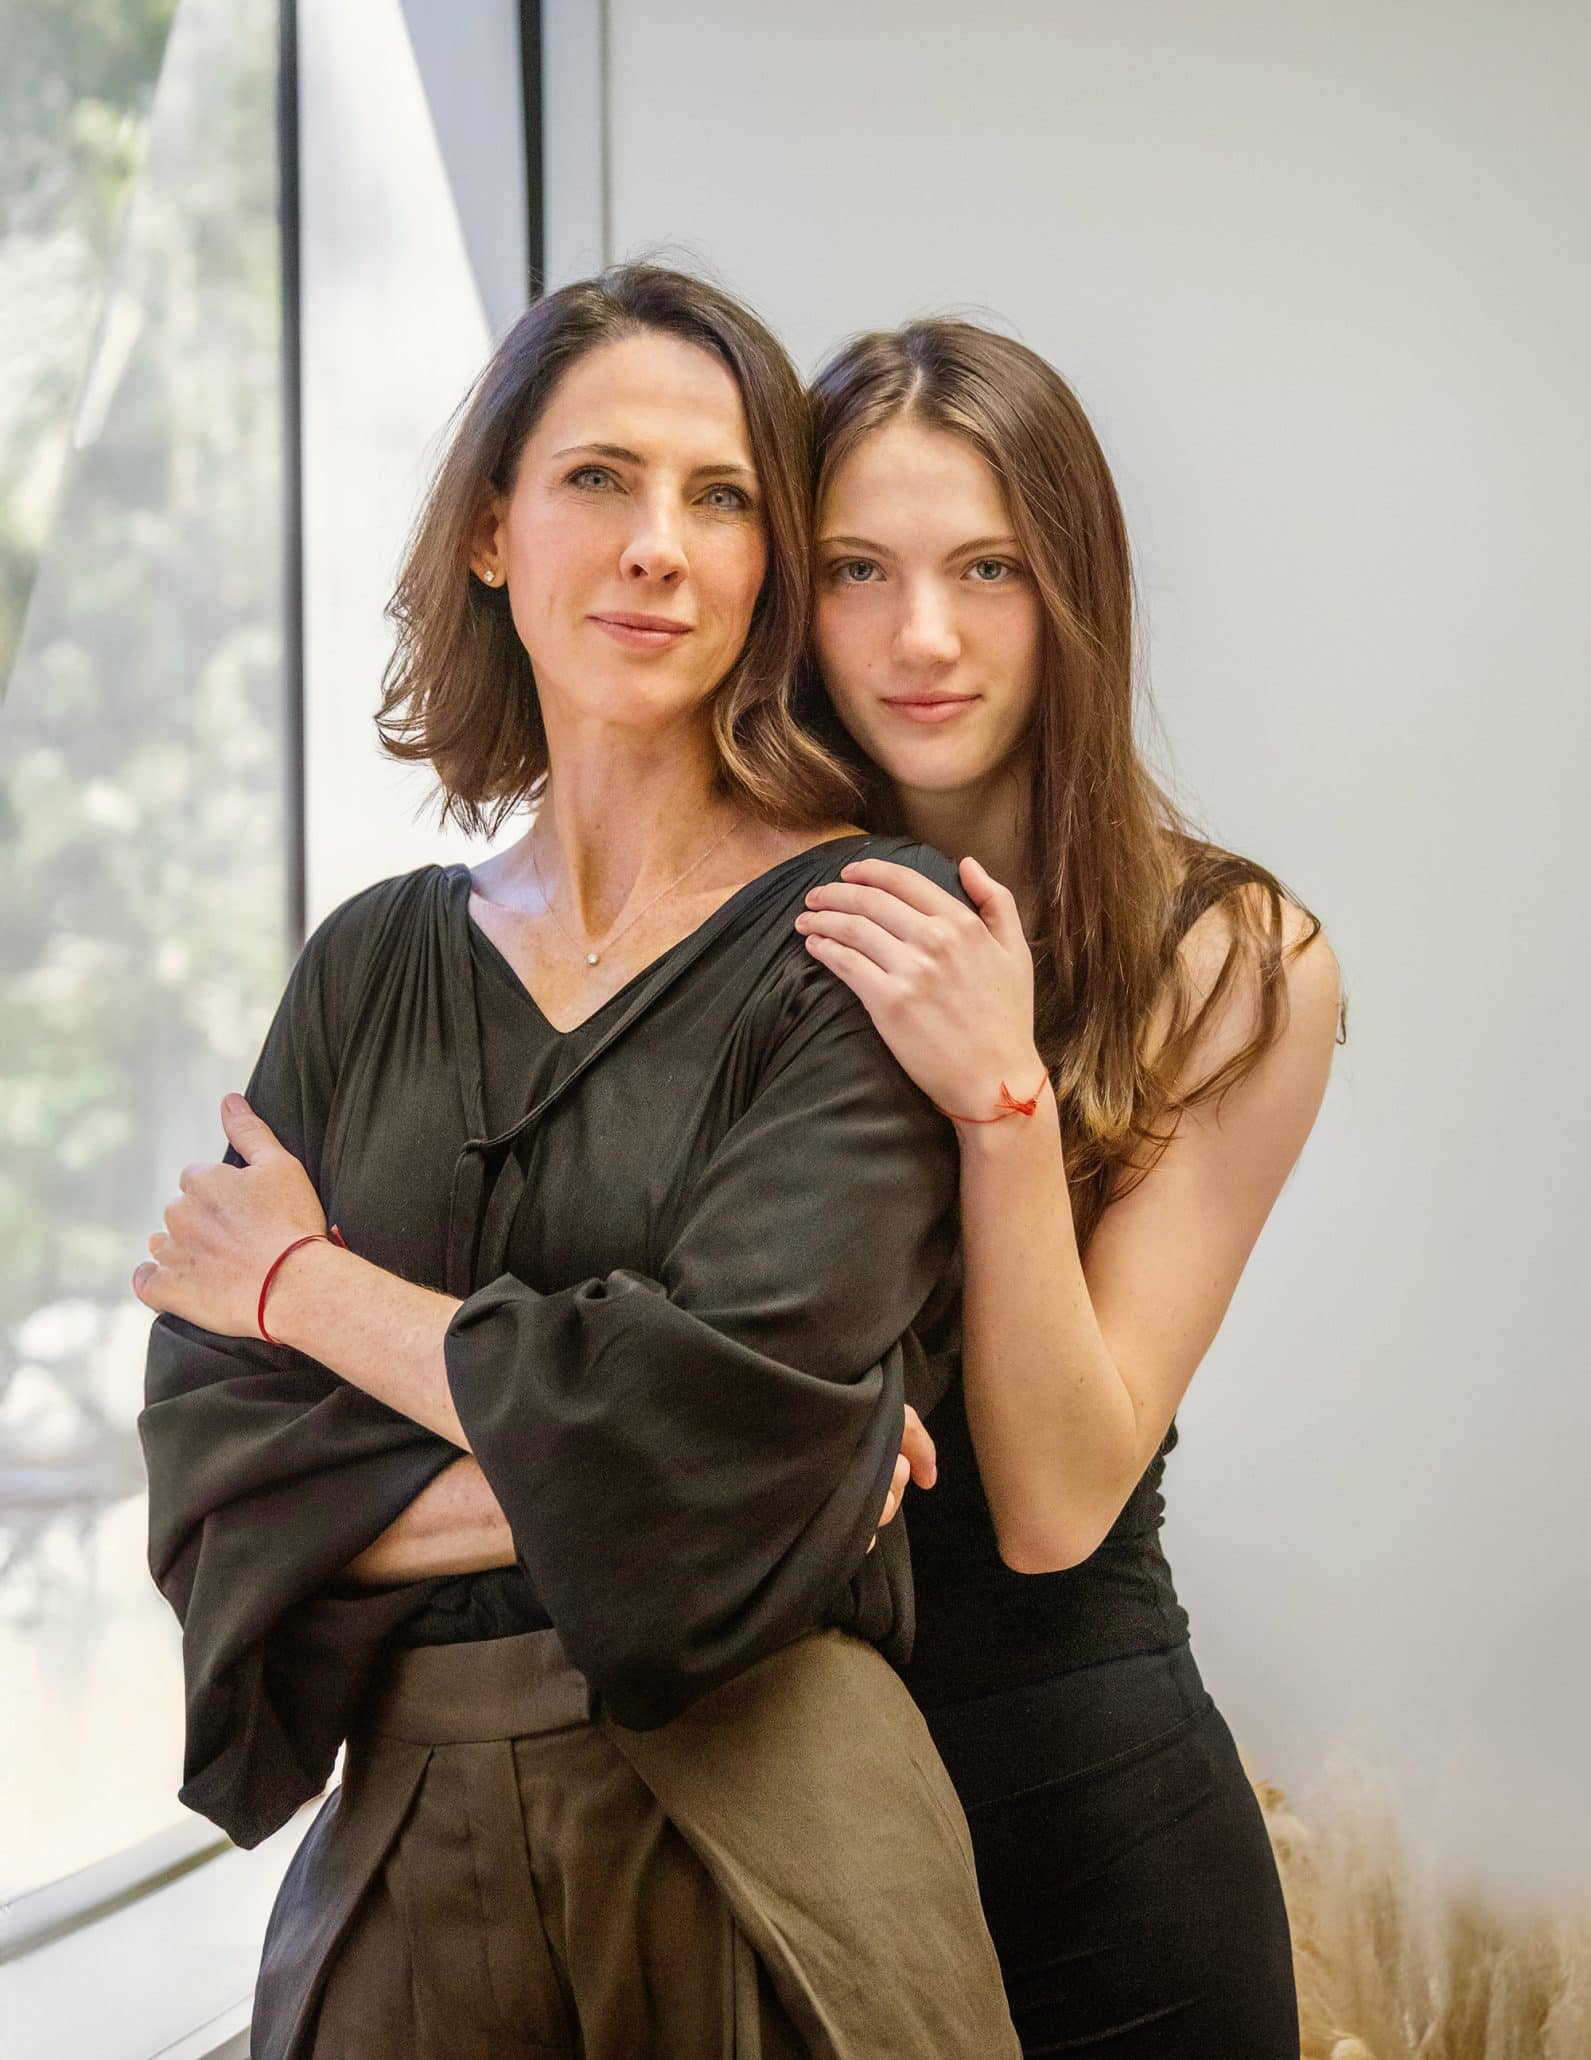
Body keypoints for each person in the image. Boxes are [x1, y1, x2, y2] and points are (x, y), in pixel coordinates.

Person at [134, 269, 1019, 2059]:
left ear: (769, 565)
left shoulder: (867, 931)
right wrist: (730, 1465)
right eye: (599, 479)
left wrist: (306, 1293)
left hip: (778, 1844)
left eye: (722, 498)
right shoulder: (368, 966)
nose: (658, 549)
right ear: (488, 528)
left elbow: (723, 1458)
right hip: (394, 1865)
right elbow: (218, 1483)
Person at [791, 319, 1343, 2056]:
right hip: (778, 1826)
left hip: (1091, 1829)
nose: (923, 636)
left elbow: (1051, 1507)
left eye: (989, 569)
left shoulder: (1233, 958)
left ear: (1075, 592)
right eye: (855, 571)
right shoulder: (724, 926)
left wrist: (1003, 1098)